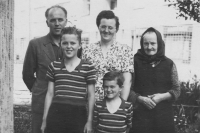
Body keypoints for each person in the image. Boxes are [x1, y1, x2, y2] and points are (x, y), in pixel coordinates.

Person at [41, 27, 96, 133]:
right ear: (60, 44)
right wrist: (44, 119)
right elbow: (50, 94)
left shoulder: (88, 66)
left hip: (78, 114)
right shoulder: (54, 66)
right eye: (65, 43)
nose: (69, 46)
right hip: (56, 114)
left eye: (73, 43)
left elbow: (91, 95)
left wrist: (89, 121)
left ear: (79, 45)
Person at [22, 5, 67, 133]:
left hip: (66, 104)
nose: (57, 23)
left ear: (66, 21)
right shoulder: (35, 44)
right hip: (41, 104)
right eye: (53, 20)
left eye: (60, 19)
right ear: (47, 22)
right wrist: (39, 90)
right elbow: (27, 75)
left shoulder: (73, 45)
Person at [130, 27, 180, 133]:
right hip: (140, 117)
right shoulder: (134, 62)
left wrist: (161, 97)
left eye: (153, 43)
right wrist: (140, 99)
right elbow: (127, 90)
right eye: (146, 43)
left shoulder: (169, 64)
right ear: (141, 44)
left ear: (159, 44)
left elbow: (177, 90)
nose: (149, 47)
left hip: (163, 118)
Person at [82, 10, 134, 101]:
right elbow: (83, 78)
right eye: (103, 27)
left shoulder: (125, 50)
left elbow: (126, 81)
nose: (106, 31)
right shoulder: (87, 50)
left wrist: (121, 105)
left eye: (110, 27)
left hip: (114, 104)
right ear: (98, 27)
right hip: (91, 103)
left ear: (116, 29)